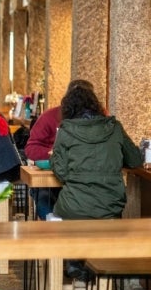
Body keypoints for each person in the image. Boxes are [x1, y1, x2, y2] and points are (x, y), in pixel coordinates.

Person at [51, 79, 142, 220]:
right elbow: (135, 160)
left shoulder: (66, 130)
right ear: (96, 105)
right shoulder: (115, 127)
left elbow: (61, 173)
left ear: (68, 109)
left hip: (73, 207)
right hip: (111, 207)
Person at [24, 104, 62, 221]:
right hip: (52, 177)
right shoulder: (50, 117)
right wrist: (54, 153)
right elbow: (31, 149)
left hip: (85, 185)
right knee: (45, 196)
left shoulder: (99, 119)